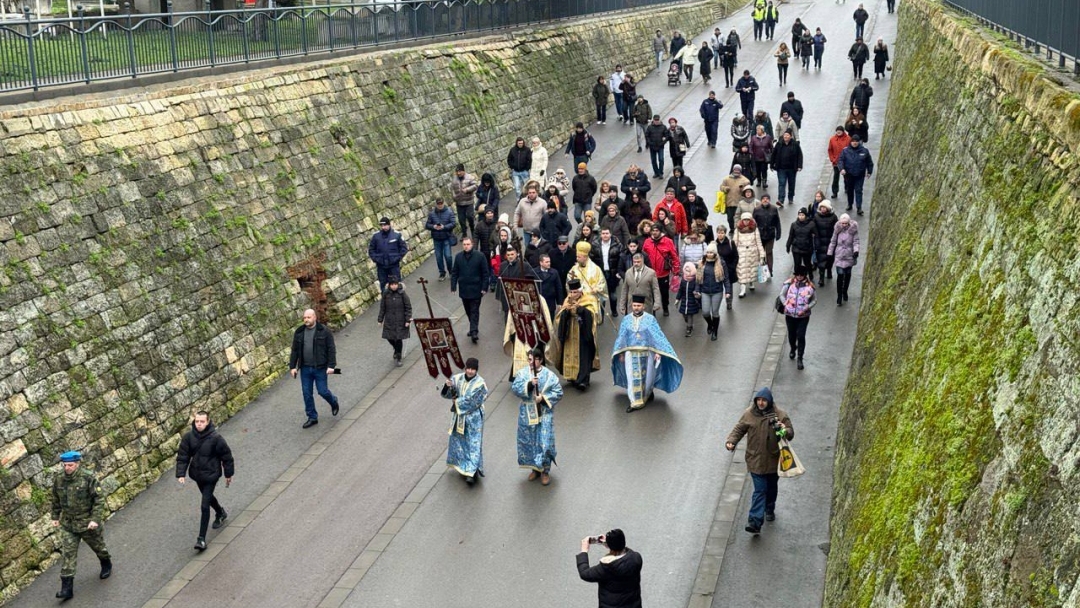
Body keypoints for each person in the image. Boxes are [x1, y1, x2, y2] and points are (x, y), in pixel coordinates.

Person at [725, 387, 795, 534]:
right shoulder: (749, 414)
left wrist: (784, 429)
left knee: (771, 488)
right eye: (759, 400)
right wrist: (731, 441)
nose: (761, 403)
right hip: (755, 460)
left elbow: (790, 433)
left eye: (764, 400)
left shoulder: (780, 415)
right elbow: (739, 429)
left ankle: (770, 507)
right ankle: (755, 521)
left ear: (769, 401)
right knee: (760, 490)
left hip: (774, 460)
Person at [50, 451, 111, 600]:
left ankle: (106, 562)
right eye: (65, 465)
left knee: (98, 547)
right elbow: (55, 499)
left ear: (77, 464)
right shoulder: (59, 480)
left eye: (70, 465)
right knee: (68, 554)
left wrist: (95, 519)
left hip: (87, 523)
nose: (67, 468)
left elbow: (99, 499)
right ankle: (66, 589)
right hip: (68, 525)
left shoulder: (88, 478)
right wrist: (55, 516)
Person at [612, 295, 684, 413]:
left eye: (639, 306)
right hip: (631, 354)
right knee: (632, 377)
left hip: (647, 353)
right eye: (634, 305)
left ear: (643, 306)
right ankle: (635, 402)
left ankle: (647, 393)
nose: (636, 308)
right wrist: (621, 353)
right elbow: (621, 338)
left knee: (648, 377)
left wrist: (657, 352)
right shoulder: (626, 319)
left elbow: (657, 337)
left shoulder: (650, 319)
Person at [176, 411, 235, 551]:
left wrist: (228, 474)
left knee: (204, 505)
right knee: (208, 498)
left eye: (202, 421)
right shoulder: (189, 437)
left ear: (208, 422)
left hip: (211, 475)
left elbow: (226, 456)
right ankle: (220, 512)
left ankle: (201, 539)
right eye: (197, 421)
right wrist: (181, 473)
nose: (199, 424)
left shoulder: (216, 438)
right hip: (197, 475)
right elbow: (183, 455)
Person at [512, 346, 563, 486]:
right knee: (529, 441)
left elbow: (558, 392)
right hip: (527, 413)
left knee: (544, 442)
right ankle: (535, 468)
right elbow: (515, 388)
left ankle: (545, 470)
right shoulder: (522, 373)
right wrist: (529, 385)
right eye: (529, 359)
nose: (530, 362)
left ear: (540, 360)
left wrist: (544, 398)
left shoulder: (550, 376)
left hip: (544, 414)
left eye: (534, 359)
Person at [289, 308, 340, 428]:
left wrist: (331, 366)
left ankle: (333, 401)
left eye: (309, 317)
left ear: (315, 317)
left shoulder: (324, 331)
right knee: (307, 393)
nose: (306, 320)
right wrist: (293, 367)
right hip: (305, 368)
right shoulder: (300, 332)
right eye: (304, 318)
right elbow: (295, 350)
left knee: (322, 391)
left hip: (320, 368)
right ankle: (312, 417)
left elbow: (331, 349)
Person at [441, 357, 488, 484]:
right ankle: (463, 466)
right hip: (460, 416)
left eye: (473, 369)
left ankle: (471, 472)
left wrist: (457, 402)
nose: (470, 371)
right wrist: (447, 386)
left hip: (473, 418)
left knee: (473, 443)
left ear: (476, 370)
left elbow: (473, 401)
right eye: (468, 368)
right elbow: (450, 393)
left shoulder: (480, 384)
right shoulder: (457, 378)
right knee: (460, 441)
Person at [550, 277, 600, 390]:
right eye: (571, 292)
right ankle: (572, 377)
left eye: (575, 292)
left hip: (583, 332)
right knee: (570, 354)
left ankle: (583, 380)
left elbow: (593, 315)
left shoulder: (589, 299)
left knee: (583, 355)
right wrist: (566, 311)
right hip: (570, 332)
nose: (573, 294)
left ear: (580, 291)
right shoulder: (567, 300)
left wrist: (580, 310)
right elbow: (560, 315)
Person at [577, 529, 643, 606]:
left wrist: (584, 551)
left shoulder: (607, 568)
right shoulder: (636, 558)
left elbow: (584, 573)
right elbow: (622, 550)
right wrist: (610, 543)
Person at [451, 236, 489, 343]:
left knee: (474, 310)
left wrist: (484, 287)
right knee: (468, 311)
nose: (466, 246)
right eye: (464, 244)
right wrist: (453, 286)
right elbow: (455, 272)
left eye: (468, 244)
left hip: (476, 289)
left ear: (472, 244)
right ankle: (473, 328)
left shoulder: (480, 256)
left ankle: (474, 332)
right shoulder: (458, 257)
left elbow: (485, 273)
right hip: (464, 289)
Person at [780, 265, 816, 368]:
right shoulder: (788, 284)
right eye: (798, 275)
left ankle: (800, 358)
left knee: (801, 336)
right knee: (791, 335)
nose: (799, 277)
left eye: (802, 275)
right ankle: (792, 348)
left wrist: (807, 307)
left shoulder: (810, 287)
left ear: (805, 275)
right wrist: (785, 304)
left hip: (803, 316)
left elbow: (814, 300)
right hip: (790, 315)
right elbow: (782, 295)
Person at [697, 242, 733, 339]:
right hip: (705, 291)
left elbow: (726, 279)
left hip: (717, 291)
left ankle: (715, 331)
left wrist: (728, 291)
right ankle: (710, 323)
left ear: (715, 253)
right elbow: (698, 278)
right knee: (705, 312)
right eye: (707, 252)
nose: (709, 254)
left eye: (711, 252)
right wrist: (697, 290)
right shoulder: (702, 263)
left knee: (715, 312)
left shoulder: (721, 263)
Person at [642, 223, 679, 315]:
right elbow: (643, 256)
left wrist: (676, 269)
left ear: (661, 231)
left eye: (656, 231)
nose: (654, 232)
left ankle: (665, 307)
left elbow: (674, 256)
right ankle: (653, 310)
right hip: (650, 273)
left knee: (664, 292)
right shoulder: (647, 241)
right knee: (651, 292)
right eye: (653, 231)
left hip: (663, 273)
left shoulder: (668, 241)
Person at [378, 277, 412, 367]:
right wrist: (380, 319)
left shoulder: (402, 294)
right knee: (390, 338)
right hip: (389, 320)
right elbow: (382, 307)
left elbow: (408, 307)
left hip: (400, 320)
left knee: (398, 339)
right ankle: (396, 349)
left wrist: (408, 319)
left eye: (395, 284)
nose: (394, 286)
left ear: (398, 284)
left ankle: (398, 357)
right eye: (392, 284)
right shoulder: (386, 294)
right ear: (389, 285)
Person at [368, 217, 408, 292]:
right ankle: (385, 302)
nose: (383, 227)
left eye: (385, 225)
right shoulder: (376, 236)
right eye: (382, 226)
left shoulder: (397, 235)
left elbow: (404, 248)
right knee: (383, 285)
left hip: (394, 265)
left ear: (389, 225)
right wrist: (376, 259)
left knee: (396, 284)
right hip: (381, 266)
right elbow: (371, 250)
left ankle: (398, 301)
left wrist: (397, 258)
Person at [838, 134, 874, 215]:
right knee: (850, 190)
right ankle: (850, 204)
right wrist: (842, 169)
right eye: (853, 141)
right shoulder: (845, 151)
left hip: (859, 175)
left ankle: (859, 207)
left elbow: (869, 162)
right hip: (849, 175)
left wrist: (869, 172)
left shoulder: (864, 151)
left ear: (859, 142)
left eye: (856, 141)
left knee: (858, 190)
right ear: (851, 142)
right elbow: (840, 160)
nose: (854, 143)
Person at [828, 213, 860, 305]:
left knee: (847, 275)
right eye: (842, 223)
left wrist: (856, 251)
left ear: (849, 223)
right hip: (839, 255)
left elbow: (856, 241)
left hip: (849, 256)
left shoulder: (853, 230)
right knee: (840, 275)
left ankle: (845, 291)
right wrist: (830, 253)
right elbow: (833, 242)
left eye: (846, 223)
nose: (844, 225)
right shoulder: (837, 230)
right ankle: (839, 295)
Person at [496, 245, 537, 314]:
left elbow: (531, 280)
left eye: (512, 254)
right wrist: (499, 296)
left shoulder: (524, 265)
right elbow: (500, 281)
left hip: (520, 297)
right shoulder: (503, 265)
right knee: (507, 319)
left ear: (516, 254)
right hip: (507, 297)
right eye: (508, 255)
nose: (510, 256)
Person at [733, 212, 765, 297]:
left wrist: (762, 255)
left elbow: (759, 242)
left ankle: (751, 283)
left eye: (748, 219)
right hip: (741, 252)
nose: (746, 221)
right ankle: (742, 289)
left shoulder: (755, 229)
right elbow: (734, 243)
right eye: (744, 220)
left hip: (752, 252)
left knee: (751, 269)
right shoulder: (738, 229)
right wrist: (733, 253)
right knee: (742, 270)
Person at [426, 197, 456, 281]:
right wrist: (433, 226)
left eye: (441, 203)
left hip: (446, 237)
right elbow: (427, 225)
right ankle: (442, 273)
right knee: (438, 257)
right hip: (436, 238)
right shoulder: (432, 214)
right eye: (438, 204)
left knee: (448, 256)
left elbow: (453, 223)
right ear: (436, 204)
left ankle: (451, 271)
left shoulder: (449, 212)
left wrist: (444, 227)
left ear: (443, 203)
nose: (440, 205)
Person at [770, 130, 803, 208]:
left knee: (791, 183)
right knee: (782, 183)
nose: (786, 137)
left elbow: (799, 155)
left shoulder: (795, 145)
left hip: (792, 168)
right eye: (785, 135)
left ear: (791, 136)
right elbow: (773, 154)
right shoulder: (779, 144)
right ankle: (781, 200)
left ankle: (790, 197)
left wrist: (799, 166)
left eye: (787, 135)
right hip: (781, 168)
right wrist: (771, 165)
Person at [786, 208, 817, 282]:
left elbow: (816, 235)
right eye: (799, 215)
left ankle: (810, 275)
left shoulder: (811, 224)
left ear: (805, 216)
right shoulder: (794, 224)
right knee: (797, 264)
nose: (801, 216)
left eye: (802, 215)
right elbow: (791, 236)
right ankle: (797, 277)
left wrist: (815, 246)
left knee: (807, 264)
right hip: (796, 248)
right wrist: (788, 245)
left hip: (807, 248)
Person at [752, 194, 781, 274]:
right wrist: (753, 234)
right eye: (763, 199)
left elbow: (777, 222)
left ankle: (770, 270)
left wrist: (778, 233)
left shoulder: (774, 209)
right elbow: (753, 223)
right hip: (760, 235)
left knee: (769, 252)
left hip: (770, 234)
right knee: (761, 253)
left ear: (769, 200)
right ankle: (762, 269)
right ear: (761, 200)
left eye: (767, 199)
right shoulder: (756, 209)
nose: (765, 200)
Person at [598, 228, 624, 316]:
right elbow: (593, 259)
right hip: (600, 273)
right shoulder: (595, 245)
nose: (605, 235)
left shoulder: (617, 245)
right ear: (600, 234)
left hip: (612, 273)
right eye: (603, 233)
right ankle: (601, 314)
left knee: (612, 294)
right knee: (601, 295)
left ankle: (614, 310)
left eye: (607, 233)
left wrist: (619, 272)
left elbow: (621, 258)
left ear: (610, 234)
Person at [812, 199, 838, 286]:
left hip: (830, 241)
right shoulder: (816, 216)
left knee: (830, 259)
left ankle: (829, 270)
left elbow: (837, 229)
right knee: (821, 261)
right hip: (820, 241)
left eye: (824, 207)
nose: (823, 209)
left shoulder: (833, 217)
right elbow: (814, 229)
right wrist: (816, 240)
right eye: (821, 207)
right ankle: (821, 278)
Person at [719, 165, 752, 231]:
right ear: (733, 170)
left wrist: (742, 189)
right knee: (730, 218)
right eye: (735, 170)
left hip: (740, 203)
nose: (736, 171)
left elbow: (749, 190)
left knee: (738, 217)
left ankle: (738, 229)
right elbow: (721, 187)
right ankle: (732, 228)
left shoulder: (745, 180)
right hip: (729, 202)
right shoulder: (726, 179)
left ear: (740, 171)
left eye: (738, 170)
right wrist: (725, 188)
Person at [450, 164, 479, 238]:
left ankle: (472, 229)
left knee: (470, 216)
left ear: (463, 171)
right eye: (457, 172)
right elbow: (452, 188)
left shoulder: (470, 177)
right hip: (459, 203)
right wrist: (454, 196)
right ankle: (464, 232)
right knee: (461, 219)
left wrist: (467, 190)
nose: (458, 173)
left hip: (469, 201)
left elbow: (475, 186)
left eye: (460, 171)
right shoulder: (454, 179)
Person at [675, 262, 700, 337]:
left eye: (689, 271)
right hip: (684, 301)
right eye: (686, 271)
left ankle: (689, 328)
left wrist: (696, 293)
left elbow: (697, 288)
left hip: (692, 301)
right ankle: (689, 323)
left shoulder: (695, 280)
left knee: (690, 315)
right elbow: (680, 290)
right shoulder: (683, 280)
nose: (688, 273)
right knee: (684, 314)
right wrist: (677, 299)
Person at [827, 126, 852, 199]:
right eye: (837, 131)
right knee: (835, 177)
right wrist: (832, 159)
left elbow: (850, 150)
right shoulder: (832, 139)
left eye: (840, 131)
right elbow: (830, 150)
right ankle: (835, 192)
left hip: (845, 162)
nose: (838, 132)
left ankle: (847, 188)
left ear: (843, 131)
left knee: (846, 177)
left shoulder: (848, 139)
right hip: (836, 162)